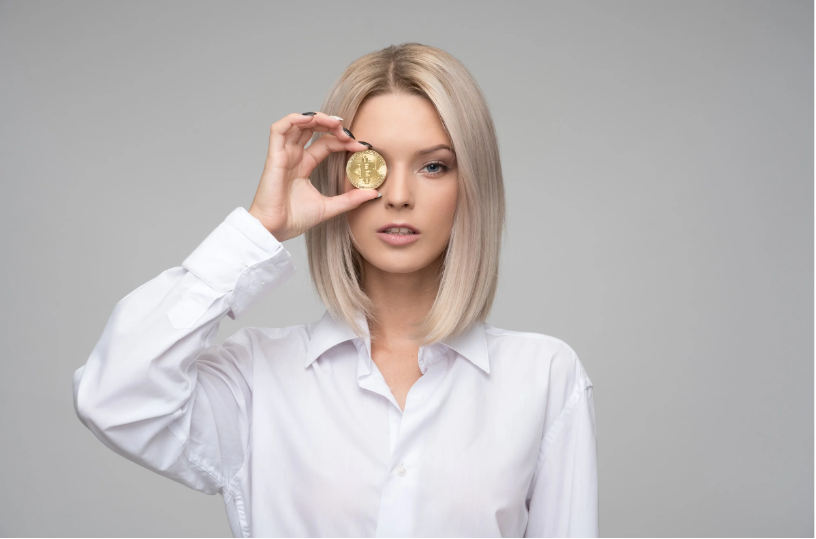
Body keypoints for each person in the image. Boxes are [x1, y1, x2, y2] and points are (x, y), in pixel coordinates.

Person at [72, 42, 598, 538]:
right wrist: (258, 228)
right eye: (370, 165)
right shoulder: (257, 377)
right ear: (337, 177)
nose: (397, 196)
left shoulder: (545, 377)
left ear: (471, 185)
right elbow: (115, 397)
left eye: (433, 166)